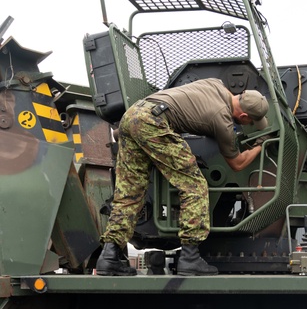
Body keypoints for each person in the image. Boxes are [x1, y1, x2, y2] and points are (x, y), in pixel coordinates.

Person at [95, 78, 269, 276]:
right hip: (153, 122)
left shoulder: (215, 84)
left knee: (130, 192)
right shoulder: (222, 119)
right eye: (251, 121)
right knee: (194, 187)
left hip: (132, 115)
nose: (250, 125)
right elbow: (237, 163)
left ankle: (108, 257)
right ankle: (190, 257)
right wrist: (259, 146)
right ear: (244, 115)